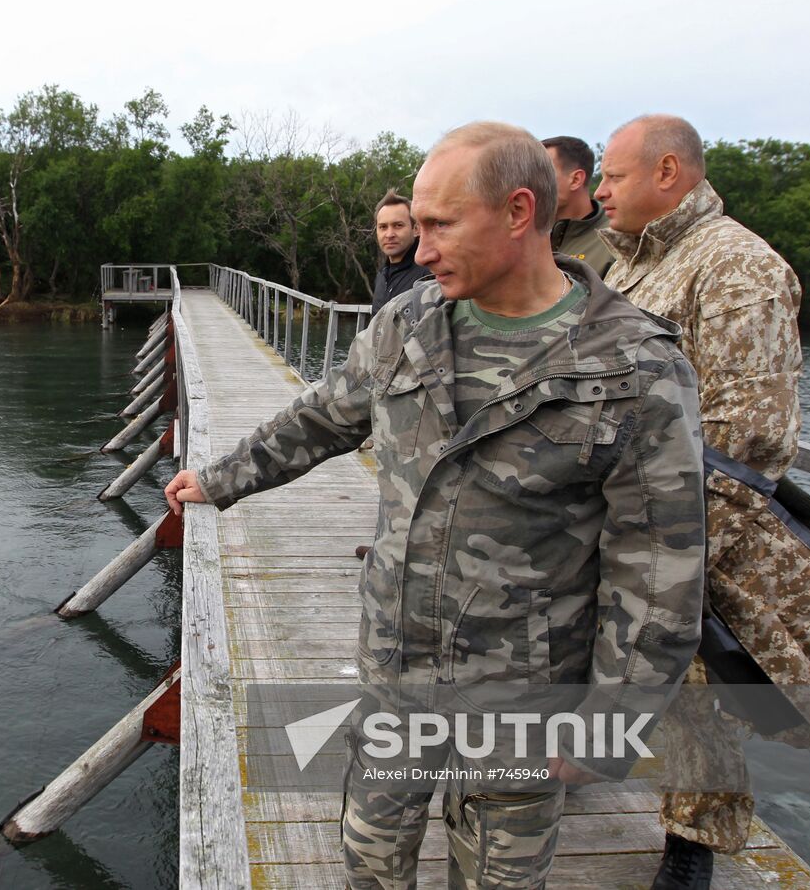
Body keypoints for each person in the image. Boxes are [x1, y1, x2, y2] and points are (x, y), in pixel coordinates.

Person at [165, 122, 707, 889]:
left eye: (439, 225)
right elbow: (320, 418)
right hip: (393, 674)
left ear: (519, 212)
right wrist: (218, 478)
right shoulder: (406, 326)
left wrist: (610, 722)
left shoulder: (635, 367)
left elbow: (660, 570)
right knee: (370, 864)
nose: (418, 250)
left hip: (523, 701)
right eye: (414, 225)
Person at [595, 114, 803, 890]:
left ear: (668, 171)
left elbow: (747, 433)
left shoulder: (734, 267)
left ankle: (694, 844)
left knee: (696, 687)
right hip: (619, 507)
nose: (600, 190)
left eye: (613, 176)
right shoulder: (634, 265)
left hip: (688, 520)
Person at [542, 135, 614, 275]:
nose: (530, 183)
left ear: (575, 180)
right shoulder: (527, 235)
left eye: (542, 174)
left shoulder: (615, 240)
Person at [369, 189, 428, 313]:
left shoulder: (429, 274)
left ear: (416, 229)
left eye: (398, 225)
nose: (389, 234)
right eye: (383, 227)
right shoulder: (382, 276)